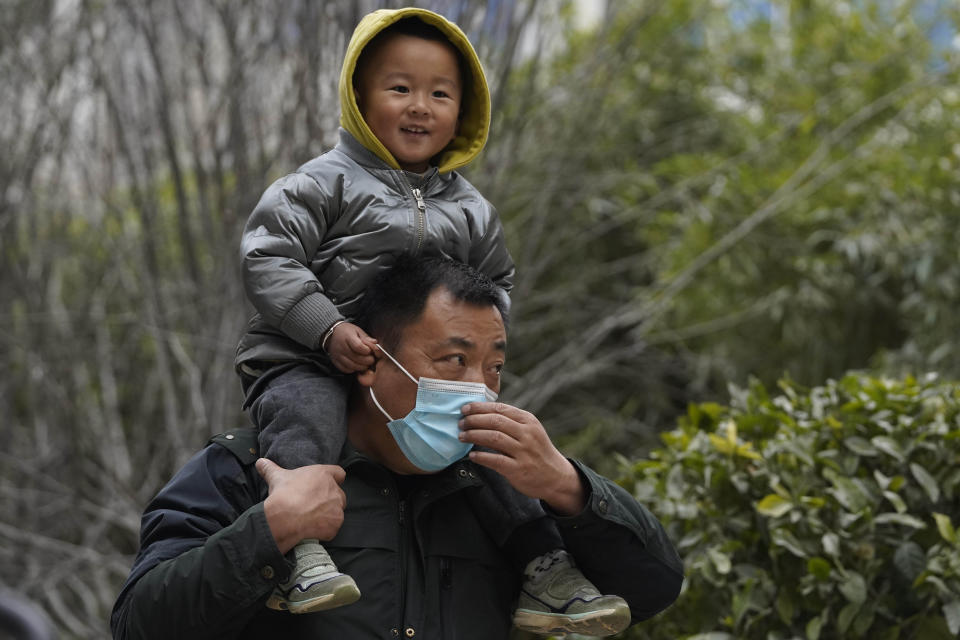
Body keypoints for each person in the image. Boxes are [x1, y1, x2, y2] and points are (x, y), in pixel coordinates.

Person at [234, 6, 618, 631]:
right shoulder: (321, 183)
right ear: (359, 99)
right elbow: (269, 255)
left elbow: (497, 284)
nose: (420, 107)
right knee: (307, 419)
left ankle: (543, 568)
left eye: (440, 94)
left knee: (490, 441)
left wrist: (475, 354)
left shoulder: (471, 210)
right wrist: (325, 328)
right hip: (306, 355)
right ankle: (302, 553)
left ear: (463, 111)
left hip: (415, 375)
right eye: (399, 88)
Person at [112, 256, 684, 640]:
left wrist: (569, 486)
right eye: (453, 360)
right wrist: (269, 531)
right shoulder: (249, 469)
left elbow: (653, 590)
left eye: (495, 367)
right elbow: (138, 622)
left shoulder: (505, 490)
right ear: (369, 358)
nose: (478, 388)